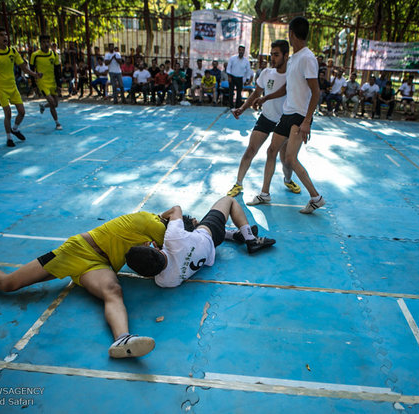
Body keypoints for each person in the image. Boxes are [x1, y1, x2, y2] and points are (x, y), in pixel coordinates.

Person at [0, 211, 169, 358]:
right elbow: (176, 246)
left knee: (113, 290)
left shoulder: (157, 230)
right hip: (76, 250)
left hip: (99, 265)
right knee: (9, 284)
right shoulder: (154, 224)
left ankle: (122, 339)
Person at [248, 17, 325, 214]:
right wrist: (266, 98)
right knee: (272, 151)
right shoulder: (293, 59)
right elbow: (286, 89)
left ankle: (316, 197)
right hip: (288, 113)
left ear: (292, 33)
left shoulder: (307, 58)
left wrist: (307, 121)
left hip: (300, 116)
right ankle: (264, 193)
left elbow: (316, 92)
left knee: (290, 159)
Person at [126, 197, 276, 288]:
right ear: (156, 250)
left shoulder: (164, 282)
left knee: (190, 229)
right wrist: (159, 217)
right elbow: (176, 209)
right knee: (228, 201)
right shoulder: (173, 239)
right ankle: (251, 239)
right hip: (209, 235)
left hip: (207, 254)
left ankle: (233, 236)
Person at [227, 40, 300, 199]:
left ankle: (288, 180)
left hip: (284, 122)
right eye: (271, 54)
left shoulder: (292, 75)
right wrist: (242, 108)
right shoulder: (266, 73)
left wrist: (264, 98)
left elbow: (283, 91)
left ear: (286, 56)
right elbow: (255, 94)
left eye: (276, 55)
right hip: (266, 118)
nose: (272, 58)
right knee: (250, 150)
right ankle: (238, 183)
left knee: (285, 159)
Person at [0, 27, 41, 147]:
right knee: (8, 113)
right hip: (0, 86)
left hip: (12, 85)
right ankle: (9, 138)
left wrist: (34, 74)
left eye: (6, 35)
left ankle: (15, 129)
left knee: (22, 112)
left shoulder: (13, 51)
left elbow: (23, 67)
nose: (5, 37)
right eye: (1, 35)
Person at [31, 35, 63, 131]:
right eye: (44, 42)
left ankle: (43, 106)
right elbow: (32, 71)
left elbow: (58, 71)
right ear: (40, 43)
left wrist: (59, 85)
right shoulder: (35, 55)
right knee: (52, 102)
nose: (46, 44)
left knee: (55, 104)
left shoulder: (54, 55)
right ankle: (57, 123)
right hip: (42, 83)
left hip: (52, 82)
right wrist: (34, 85)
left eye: (47, 42)